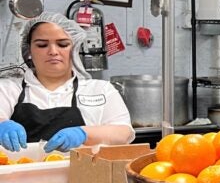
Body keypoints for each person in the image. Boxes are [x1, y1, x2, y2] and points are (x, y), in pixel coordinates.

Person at [0, 12, 134, 153]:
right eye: (42, 45)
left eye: (63, 44)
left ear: (75, 49)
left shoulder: (101, 89)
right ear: (29, 51)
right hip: (22, 173)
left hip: (87, 174)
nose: (53, 51)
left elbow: (123, 133)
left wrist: (83, 134)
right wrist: (2, 125)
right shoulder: (7, 89)